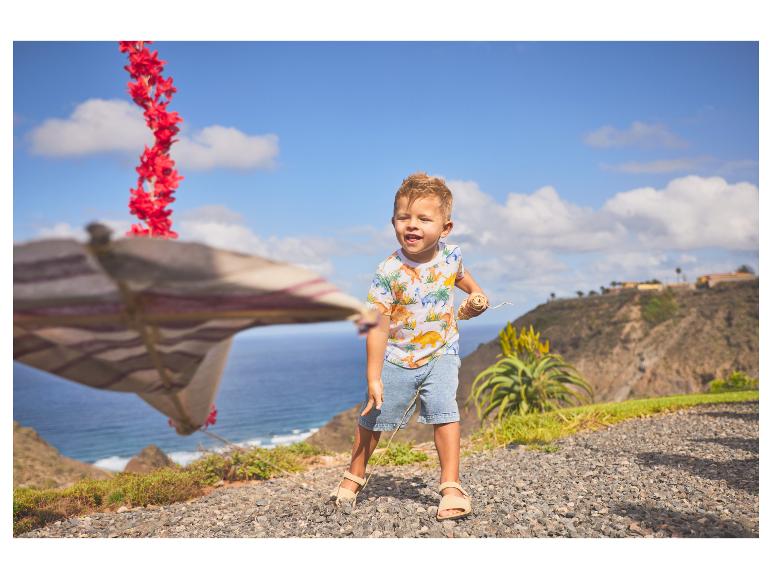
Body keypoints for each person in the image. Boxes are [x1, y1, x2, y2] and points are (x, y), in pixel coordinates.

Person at [330, 172, 488, 521]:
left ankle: (451, 485)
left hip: (442, 351)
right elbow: (377, 325)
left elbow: (460, 276)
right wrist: (374, 376)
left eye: (423, 219)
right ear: (393, 223)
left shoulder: (451, 255)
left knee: (445, 411)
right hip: (398, 358)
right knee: (374, 416)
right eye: (404, 217)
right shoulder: (388, 272)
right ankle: (353, 476)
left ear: (445, 228)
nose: (412, 225)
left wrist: (476, 294)